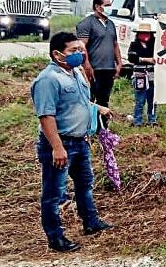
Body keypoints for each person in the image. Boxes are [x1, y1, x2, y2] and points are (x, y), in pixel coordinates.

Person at [31, 32, 114, 252]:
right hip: (60, 144)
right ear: (57, 54)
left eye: (80, 49)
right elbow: (46, 116)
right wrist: (57, 147)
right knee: (54, 193)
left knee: (85, 184)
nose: (79, 54)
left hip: (80, 142)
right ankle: (55, 237)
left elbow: (78, 102)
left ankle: (90, 222)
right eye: (73, 51)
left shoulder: (75, 73)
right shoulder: (48, 80)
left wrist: (97, 108)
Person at [76, 0, 122, 127]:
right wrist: (87, 65)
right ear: (97, 6)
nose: (109, 8)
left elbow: (115, 44)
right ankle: (87, 127)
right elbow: (82, 46)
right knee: (90, 99)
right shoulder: (87, 23)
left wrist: (119, 62)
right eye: (106, 5)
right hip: (94, 68)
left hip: (108, 68)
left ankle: (102, 128)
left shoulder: (111, 23)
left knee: (104, 100)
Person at [128, 23, 158, 126]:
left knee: (152, 100)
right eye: (142, 33)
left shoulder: (155, 45)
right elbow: (131, 58)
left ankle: (152, 120)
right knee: (140, 100)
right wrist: (146, 59)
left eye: (147, 33)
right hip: (139, 75)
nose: (145, 35)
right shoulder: (134, 45)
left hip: (152, 76)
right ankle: (138, 121)